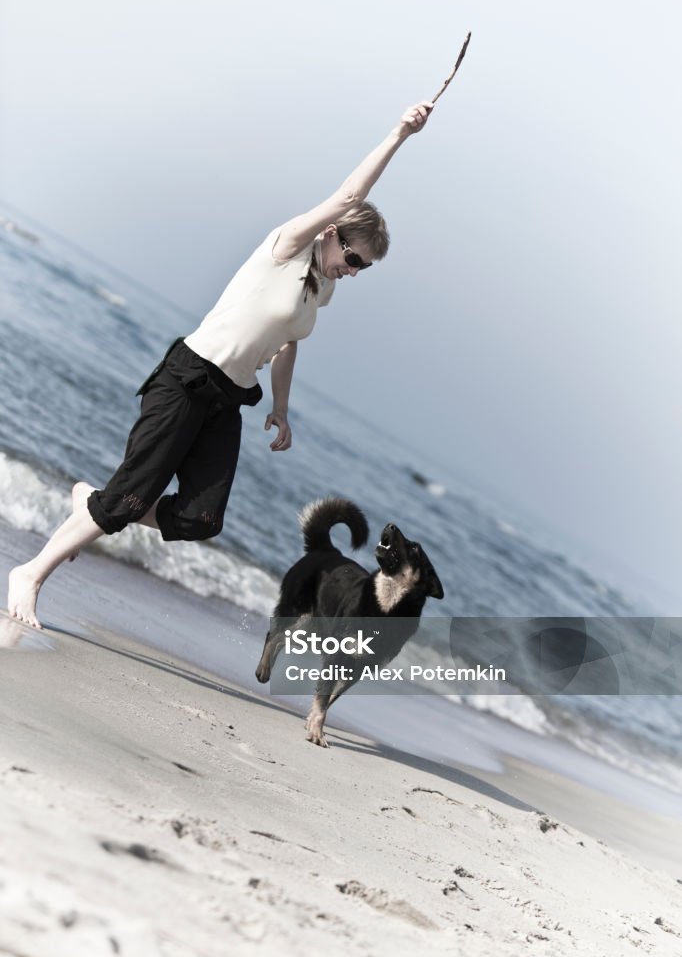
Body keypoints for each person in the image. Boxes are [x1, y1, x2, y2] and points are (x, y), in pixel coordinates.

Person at [8, 101, 433, 629]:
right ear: (333, 235)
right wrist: (400, 134)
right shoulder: (287, 245)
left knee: (200, 518)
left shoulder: (321, 289)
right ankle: (30, 573)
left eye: (364, 268)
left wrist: (280, 406)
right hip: (187, 379)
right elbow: (349, 196)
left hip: (228, 397)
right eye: (354, 259)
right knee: (125, 501)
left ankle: (94, 504)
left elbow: (287, 343)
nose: (355, 271)